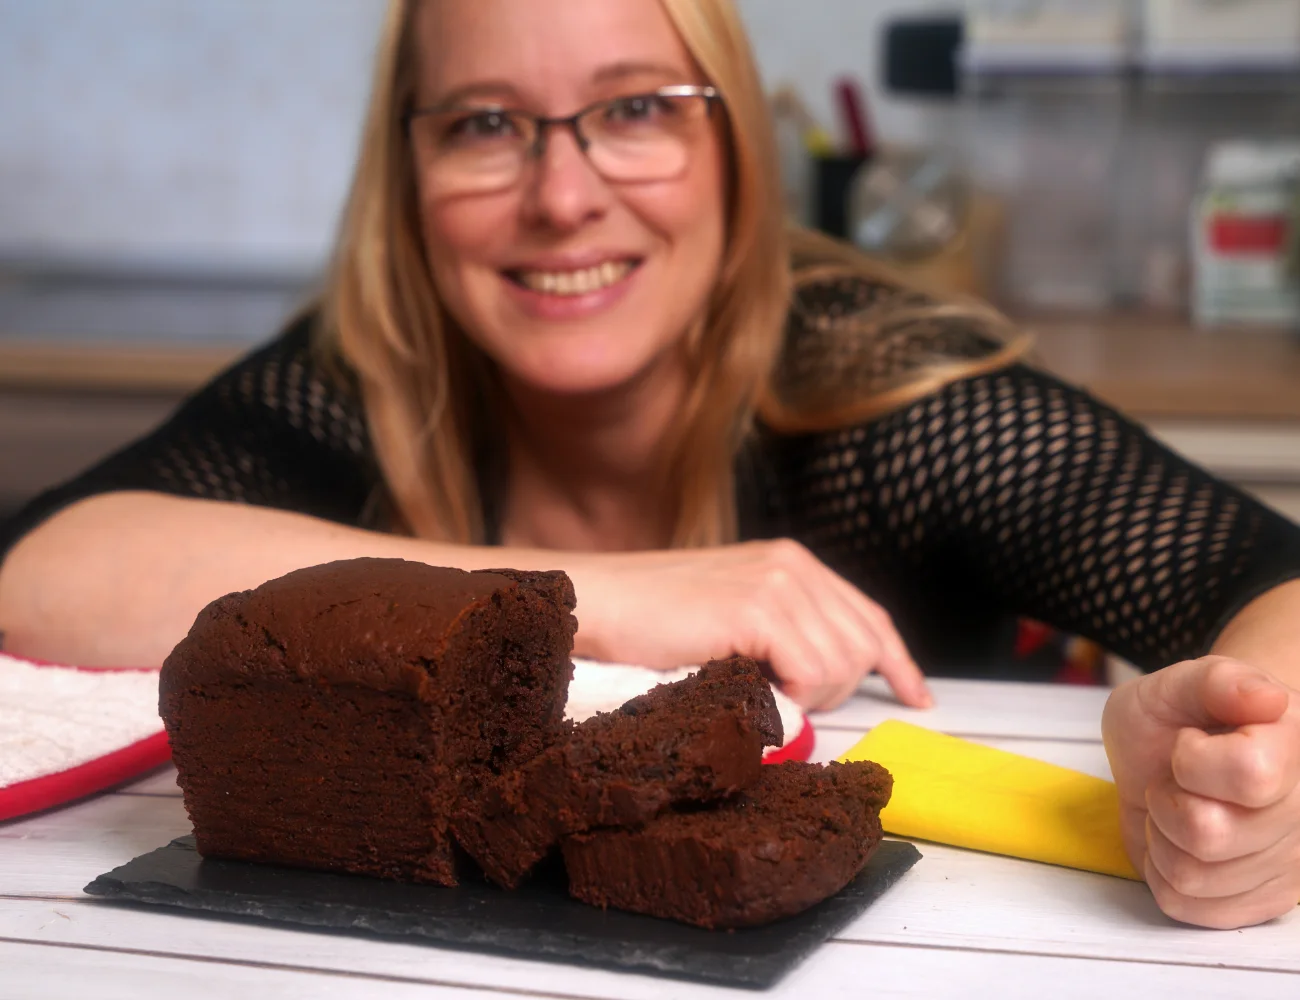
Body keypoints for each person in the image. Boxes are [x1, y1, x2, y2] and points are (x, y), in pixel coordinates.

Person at [1, 0, 1297, 930]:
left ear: (734, 151)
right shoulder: (366, 378)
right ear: (407, 175)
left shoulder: (881, 391)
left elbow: (1267, 579)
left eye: (635, 110)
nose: (562, 196)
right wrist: (608, 592)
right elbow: (40, 569)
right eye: (485, 124)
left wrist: (1248, 773)